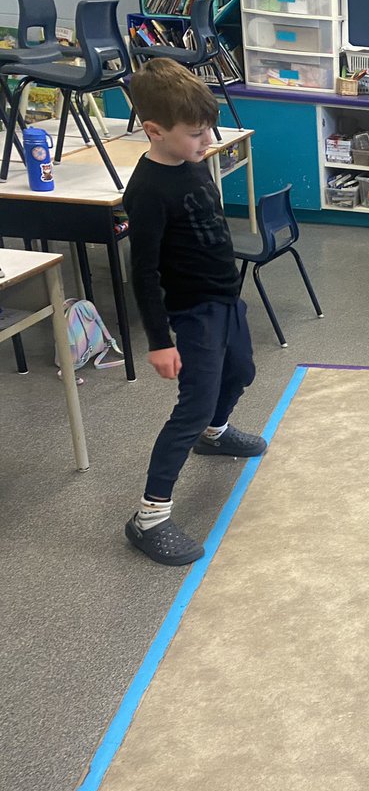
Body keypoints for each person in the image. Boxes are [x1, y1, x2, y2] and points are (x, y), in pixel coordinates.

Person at [123, 58, 266, 566]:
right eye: (195, 135)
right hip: (192, 314)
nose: (206, 145)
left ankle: (215, 435)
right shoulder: (147, 192)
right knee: (192, 406)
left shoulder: (191, 161)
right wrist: (159, 341)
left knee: (243, 372)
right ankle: (149, 517)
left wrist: (230, 289)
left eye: (209, 133)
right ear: (154, 131)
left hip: (225, 298)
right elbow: (142, 272)